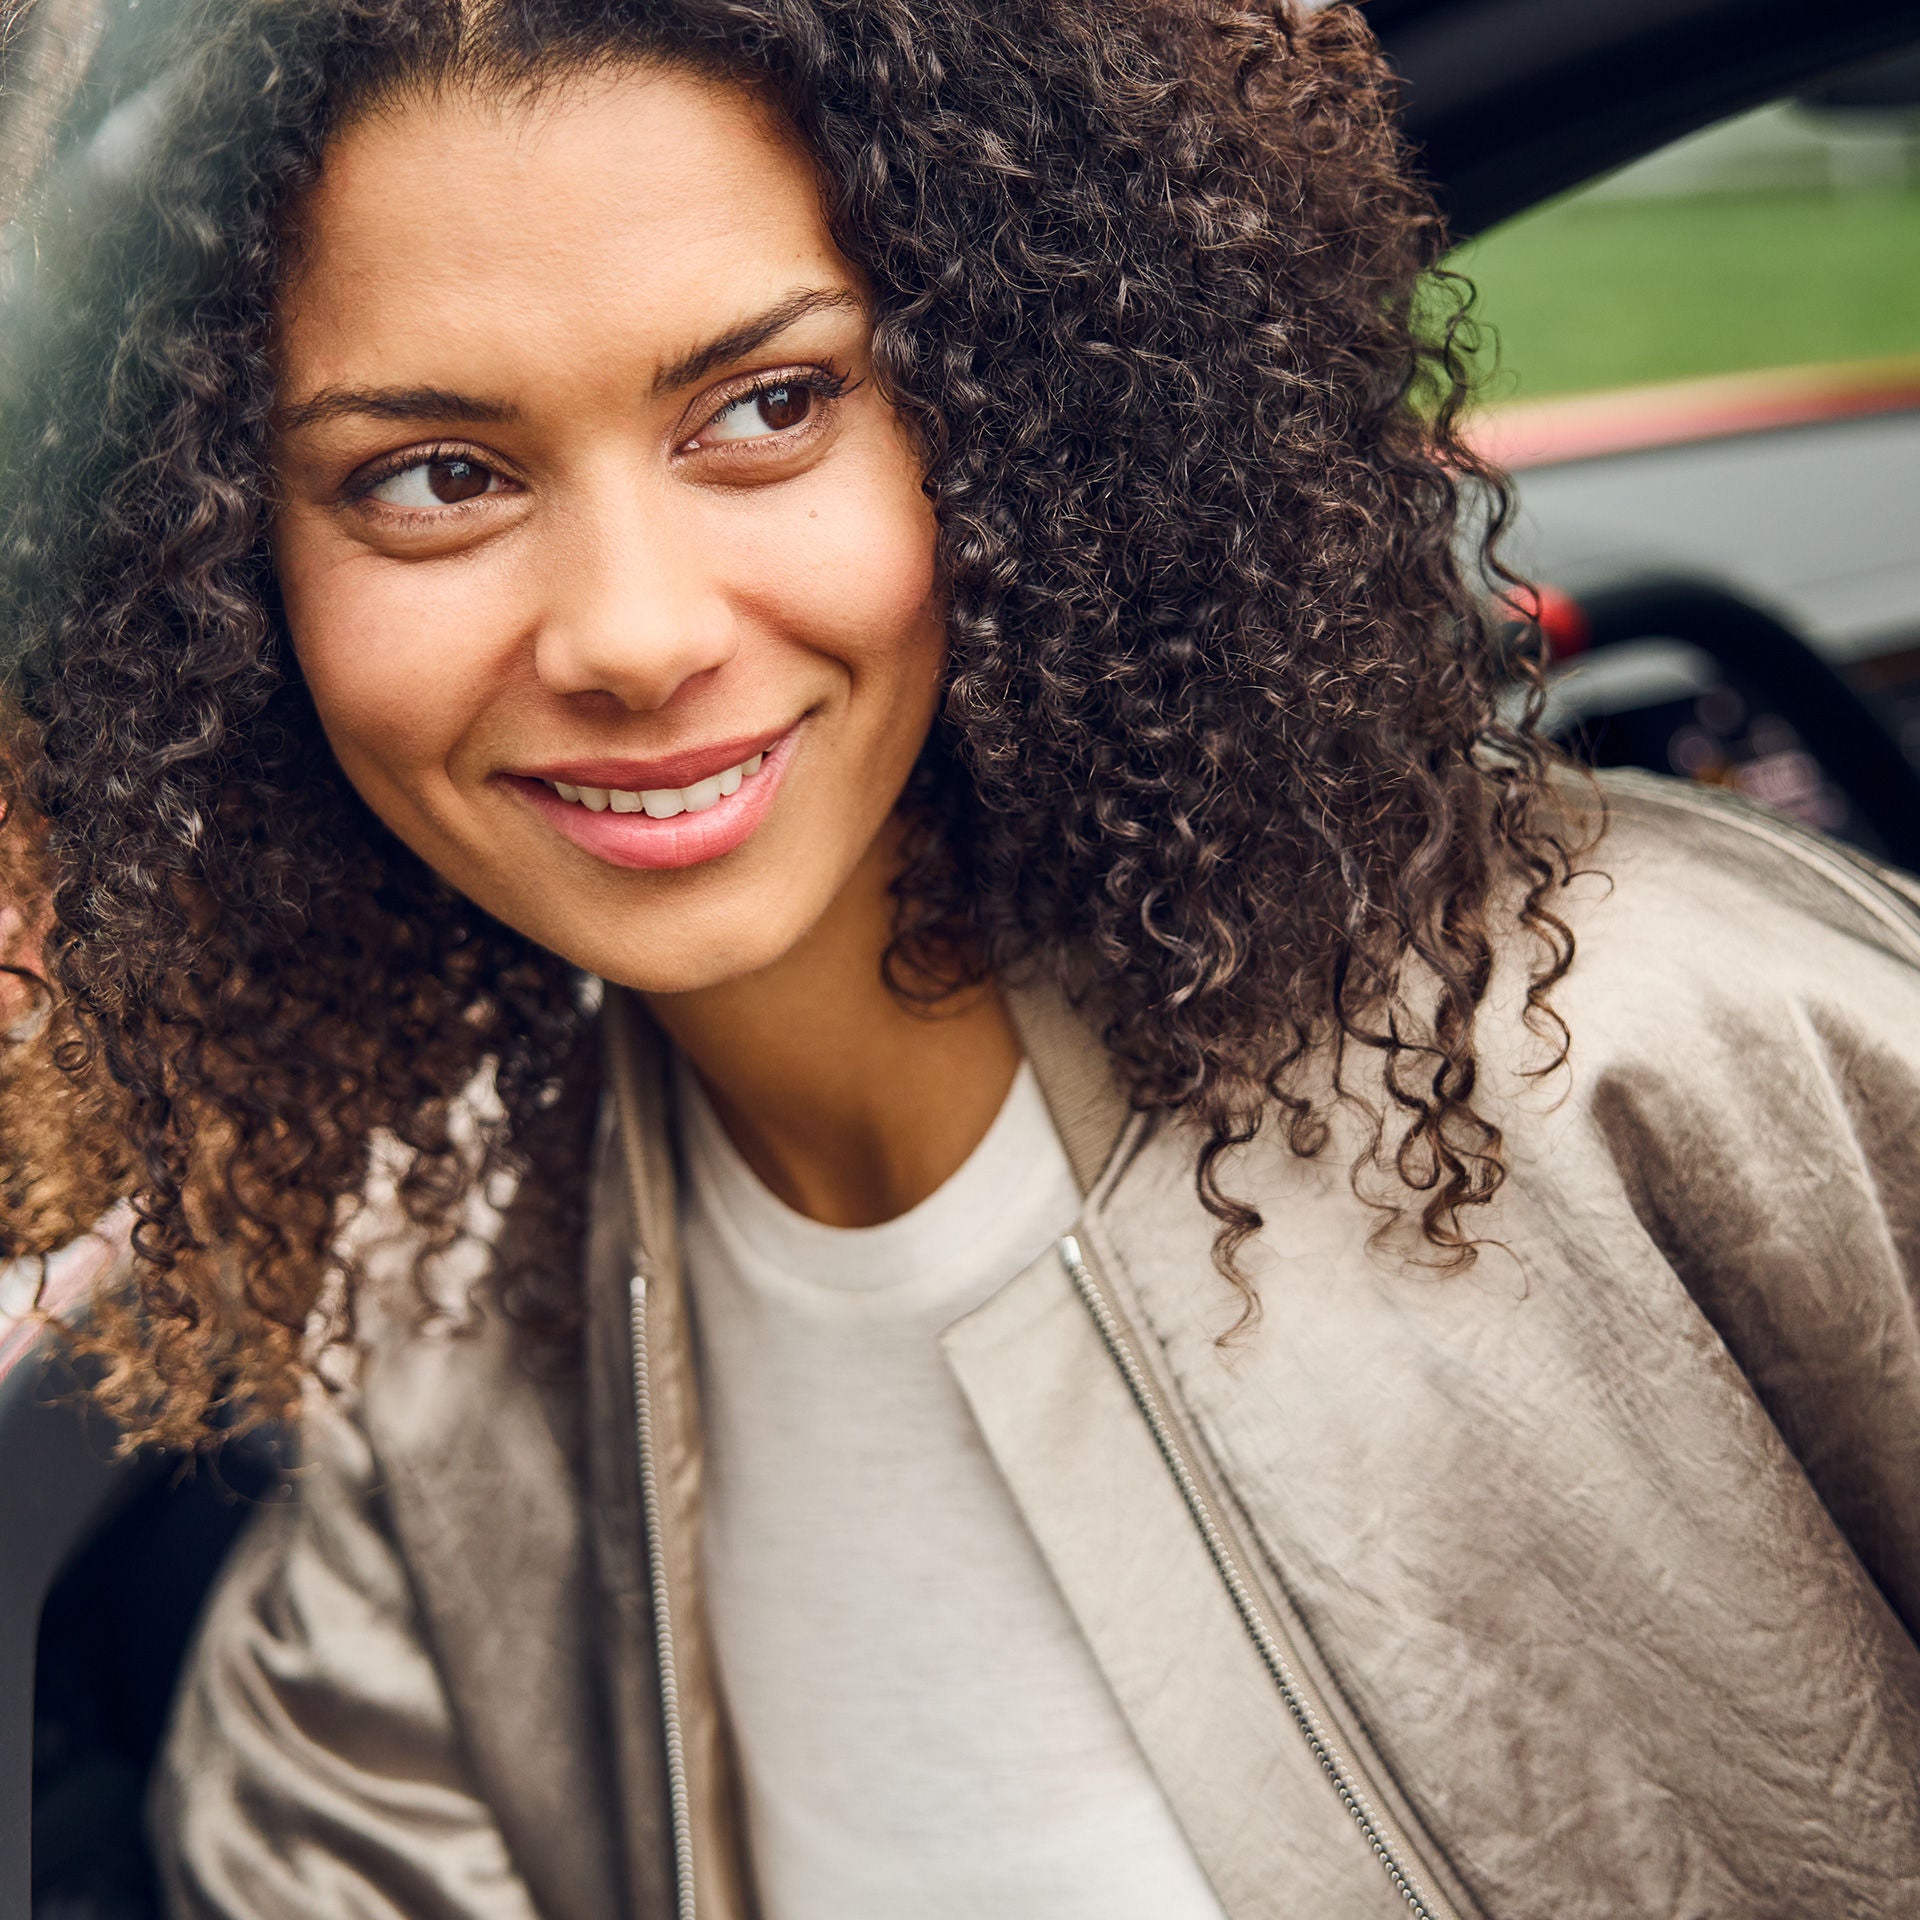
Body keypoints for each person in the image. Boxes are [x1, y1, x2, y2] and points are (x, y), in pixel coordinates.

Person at [2, 0, 1919, 1914]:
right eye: (434, 474)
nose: (632, 633)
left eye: (771, 405)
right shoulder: (433, 1363)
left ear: (1023, 405)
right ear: (224, 582)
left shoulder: (1656, 1039)